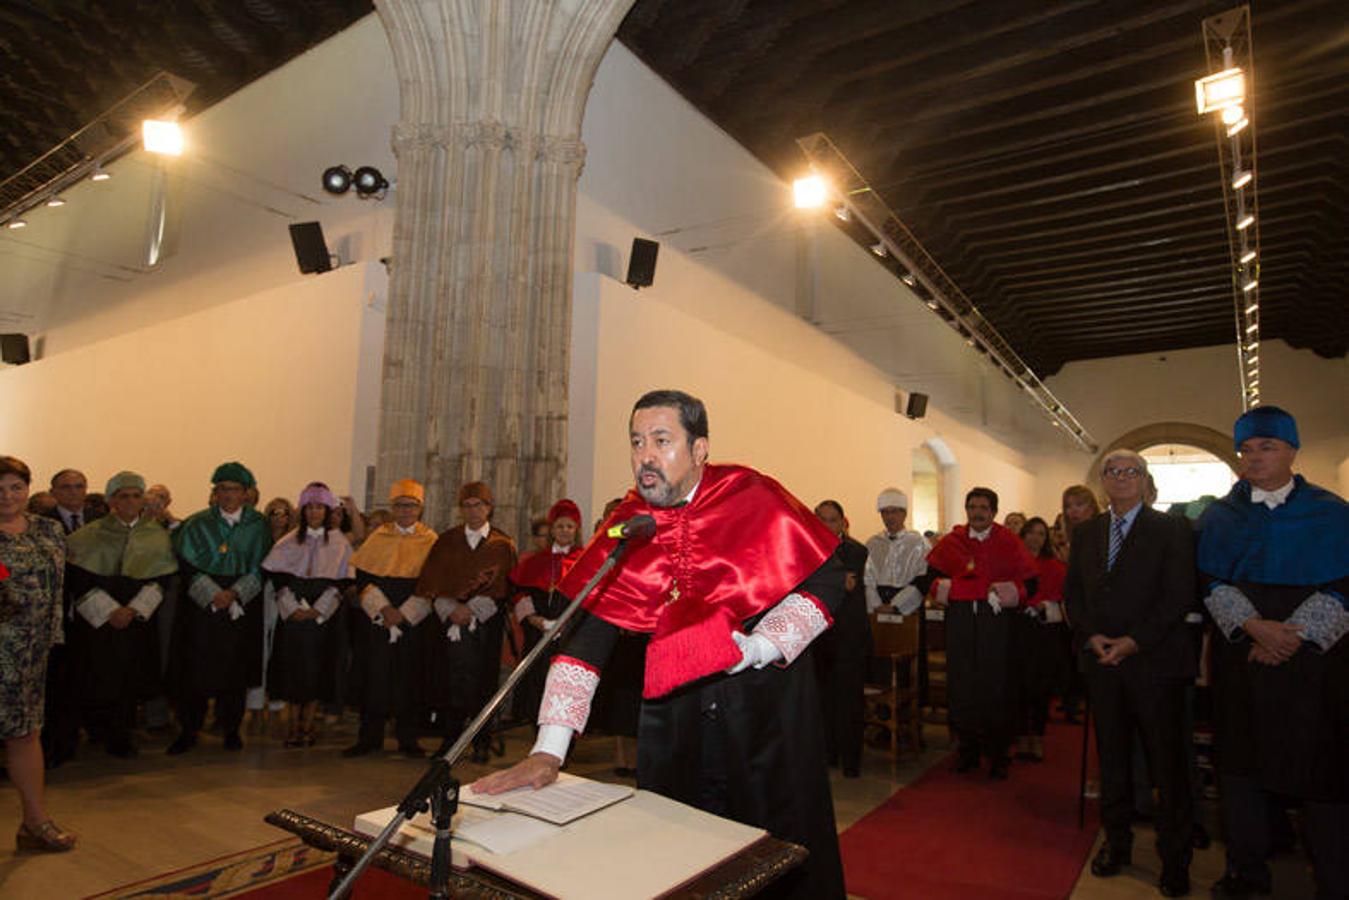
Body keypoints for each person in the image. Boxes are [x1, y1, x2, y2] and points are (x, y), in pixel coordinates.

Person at [475, 389, 847, 899]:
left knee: (775, 865)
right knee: (678, 862)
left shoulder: (754, 497)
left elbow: (826, 579)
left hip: (766, 718)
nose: (645, 455)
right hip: (675, 725)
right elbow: (588, 641)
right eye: (636, 441)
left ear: (699, 450)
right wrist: (548, 750)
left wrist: (760, 647)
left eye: (661, 440)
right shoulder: (628, 526)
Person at [1198, 406, 1349, 900]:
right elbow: (1209, 580)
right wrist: (1254, 628)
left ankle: (1332, 876)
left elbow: (1345, 584)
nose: (1255, 457)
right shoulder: (1222, 514)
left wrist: (1294, 635)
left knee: (1321, 770)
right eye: (1247, 449)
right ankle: (1247, 873)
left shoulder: (1331, 511)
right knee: (1242, 768)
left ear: (1292, 451)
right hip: (1243, 655)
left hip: (1314, 665)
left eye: (1267, 447)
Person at [1064, 449, 1195, 897]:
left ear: (1144, 479)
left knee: (1167, 765)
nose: (1121, 478)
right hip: (1103, 664)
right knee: (1114, 760)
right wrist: (1090, 634)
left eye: (1130, 472)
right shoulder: (1088, 533)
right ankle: (1116, 844)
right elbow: (1074, 595)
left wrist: (1133, 641)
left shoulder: (1170, 529)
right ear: (1103, 480)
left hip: (1155, 663)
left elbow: (1178, 596)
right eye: (1113, 472)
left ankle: (1175, 858)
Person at [927, 487, 1038, 779]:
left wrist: (1005, 592)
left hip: (997, 624)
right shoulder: (952, 541)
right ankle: (967, 750)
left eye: (983, 508)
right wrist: (961, 589)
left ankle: (997, 753)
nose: (977, 513)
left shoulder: (1009, 541)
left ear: (993, 512)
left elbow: (1031, 583)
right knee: (962, 684)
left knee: (996, 686)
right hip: (961, 622)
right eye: (972, 507)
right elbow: (929, 578)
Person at [64, 471, 177, 758]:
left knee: (131, 677)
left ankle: (123, 734)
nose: (130, 501)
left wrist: (134, 609)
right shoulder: (88, 535)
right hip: (100, 621)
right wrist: (110, 610)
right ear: (111, 500)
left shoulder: (157, 535)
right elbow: (78, 579)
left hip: (137, 620)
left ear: (143, 499)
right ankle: (99, 729)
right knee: (99, 675)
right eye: (123, 495)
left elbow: (161, 580)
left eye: (135, 495)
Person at [167, 462, 271, 754]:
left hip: (241, 605)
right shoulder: (197, 522)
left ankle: (231, 729)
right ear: (215, 492)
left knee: (234, 669)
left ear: (246, 493)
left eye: (234, 489)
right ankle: (189, 730)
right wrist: (213, 594)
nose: (228, 495)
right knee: (195, 668)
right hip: (202, 606)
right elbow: (185, 564)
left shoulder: (258, 524)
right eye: (222, 489)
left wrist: (235, 593)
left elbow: (264, 566)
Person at [0, 456, 76, 852]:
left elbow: (57, 585)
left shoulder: (48, 530)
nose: (8, 496)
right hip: (1, 648)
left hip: (31, 652)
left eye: (16, 487)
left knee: (26, 734)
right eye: (0, 489)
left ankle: (34, 823)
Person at [414, 482, 517, 761]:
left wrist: (472, 610)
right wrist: (451, 609)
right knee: (450, 680)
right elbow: (432, 582)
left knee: (483, 681)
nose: (473, 511)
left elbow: (506, 587)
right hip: (449, 624)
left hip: (485, 624)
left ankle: (481, 740)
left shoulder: (502, 544)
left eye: (479, 505)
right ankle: (449, 741)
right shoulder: (446, 541)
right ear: (461, 509)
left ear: (489, 508)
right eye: (467, 505)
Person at [344, 479, 438, 757]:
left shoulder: (431, 540)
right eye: (399, 505)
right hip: (379, 618)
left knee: (410, 677)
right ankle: (369, 737)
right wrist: (384, 610)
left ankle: (408, 738)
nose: (405, 510)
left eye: (411, 505)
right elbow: (363, 578)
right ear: (393, 508)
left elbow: (433, 582)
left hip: (413, 619)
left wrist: (404, 613)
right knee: (374, 675)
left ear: (420, 509)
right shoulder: (378, 537)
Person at [262, 482, 353, 747]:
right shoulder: (288, 541)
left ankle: (309, 723)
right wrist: (292, 609)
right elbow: (276, 578)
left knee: (317, 669)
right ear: (302, 511)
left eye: (319, 508)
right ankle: (292, 724)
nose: (314, 513)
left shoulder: (339, 542)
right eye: (309, 508)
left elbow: (342, 582)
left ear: (327, 511)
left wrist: (319, 609)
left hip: (323, 617)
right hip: (293, 615)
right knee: (291, 669)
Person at [508, 499, 584, 727]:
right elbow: (519, 592)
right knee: (536, 684)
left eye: (570, 526)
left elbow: (588, 599)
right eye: (560, 526)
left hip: (569, 634)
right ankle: (536, 734)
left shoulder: (584, 560)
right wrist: (533, 619)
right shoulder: (534, 561)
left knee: (565, 689)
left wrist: (567, 623)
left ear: (576, 530)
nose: (565, 531)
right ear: (552, 529)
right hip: (537, 631)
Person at [813, 499, 869, 778]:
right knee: (824, 698)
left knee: (849, 699)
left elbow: (847, 582)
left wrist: (820, 580)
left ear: (843, 522)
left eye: (832, 519)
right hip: (820, 634)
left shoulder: (856, 550)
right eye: (821, 519)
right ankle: (828, 753)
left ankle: (851, 759)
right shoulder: (808, 548)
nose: (826, 525)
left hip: (849, 634)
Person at [1012, 516, 1067, 762]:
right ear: (1023, 536)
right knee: (1019, 687)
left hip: (1043, 633)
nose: (1035, 538)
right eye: (1031, 533)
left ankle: (1038, 737)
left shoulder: (1054, 567)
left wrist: (1043, 606)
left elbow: (1061, 601)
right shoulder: (1012, 564)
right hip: (1018, 632)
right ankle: (1022, 736)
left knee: (1040, 688)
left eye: (1041, 534)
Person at [863, 488, 928, 616]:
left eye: (894, 512)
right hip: (877, 606)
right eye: (885, 512)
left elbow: (922, 578)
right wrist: (876, 604)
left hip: (908, 607)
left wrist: (897, 605)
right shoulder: (872, 543)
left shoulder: (918, 543)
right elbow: (867, 578)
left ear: (904, 514)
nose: (890, 517)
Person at [46, 469, 88, 535]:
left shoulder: (98, 517)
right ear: (52, 492)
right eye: (66, 487)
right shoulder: (44, 521)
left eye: (79, 487)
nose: (74, 492)